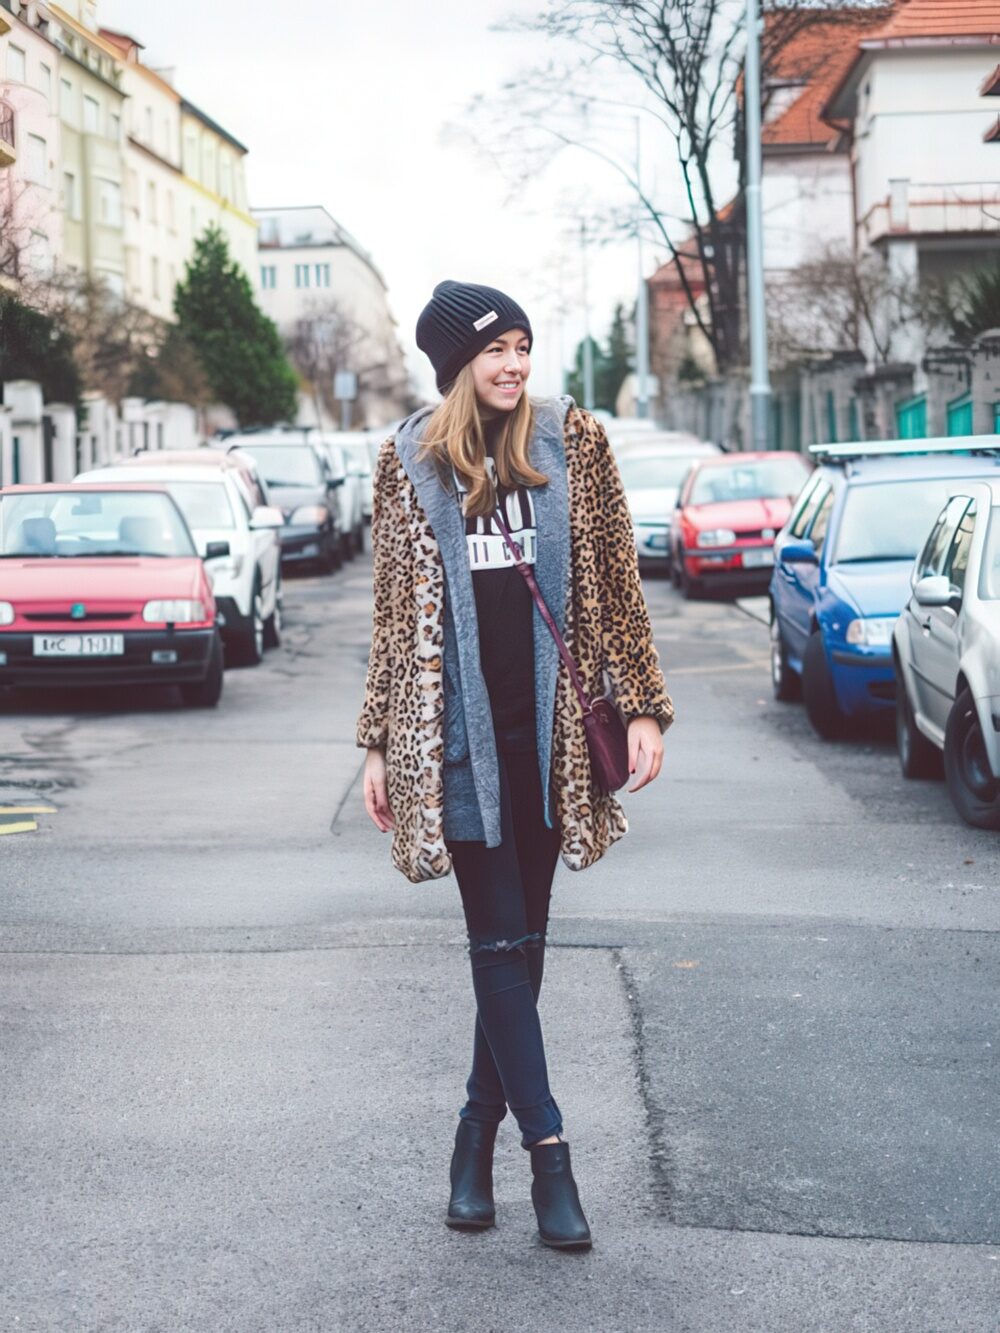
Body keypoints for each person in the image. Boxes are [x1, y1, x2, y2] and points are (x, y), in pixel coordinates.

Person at [357, 279, 673, 1252]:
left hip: (551, 744)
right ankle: (550, 1156)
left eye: (524, 346)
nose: (514, 364)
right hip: (458, 746)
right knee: (496, 945)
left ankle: (469, 1138)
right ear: (458, 365)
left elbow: (616, 581)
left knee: (522, 948)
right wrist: (376, 736)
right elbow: (390, 613)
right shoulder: (409, 462)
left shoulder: (571, 442)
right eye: (496, 350)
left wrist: (647, 707)